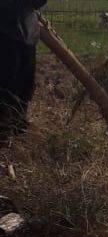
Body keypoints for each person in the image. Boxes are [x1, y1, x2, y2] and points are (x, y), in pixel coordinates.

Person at [0, 0, 47, 142]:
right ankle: (4, 131)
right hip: (5, 29)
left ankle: (16, 129)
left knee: (25, 86)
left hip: (26, 30)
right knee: (6, 86)